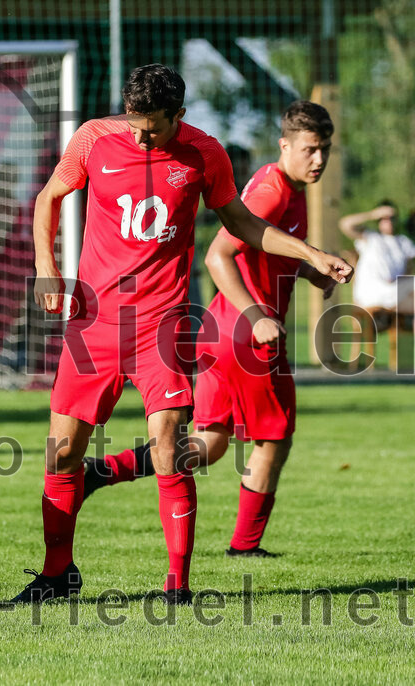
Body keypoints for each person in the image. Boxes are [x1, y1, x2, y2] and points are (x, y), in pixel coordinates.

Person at [18, 65, 352, 605]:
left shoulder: (205, 154)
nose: (141, 136)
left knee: (171, 451)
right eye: (135, 124)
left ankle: (178, 586)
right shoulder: (93, 139)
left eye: (153, 127)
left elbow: (242, 225)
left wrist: (312, 255)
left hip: (160, 325)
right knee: (61, 455)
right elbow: (48, 198)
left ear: (180, 116)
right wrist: (45, 266)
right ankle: (58, 574)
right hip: (94, 323)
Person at [78, 101, 339, 559]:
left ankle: (98, 472)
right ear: (285, 146)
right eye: (310, 150)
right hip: (245, 335)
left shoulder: (283, 186)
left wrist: (308, 271)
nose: (318, 160)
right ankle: (245, 546)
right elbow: (219, 255)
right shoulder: (272, 192)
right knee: (274, 439)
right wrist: (257, 314)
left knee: (211, 443)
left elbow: (265, 253)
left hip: (221, 332)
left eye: (325, 151)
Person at [339, 200, 415, 315]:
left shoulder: (403, 242)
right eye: (384, 218)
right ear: (378, 220)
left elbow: (409, 269)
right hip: (371, 294)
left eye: (392, 217)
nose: (389, 221)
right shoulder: (370, 237)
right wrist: (373, 214)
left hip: (395, 292)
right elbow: (345, 224)